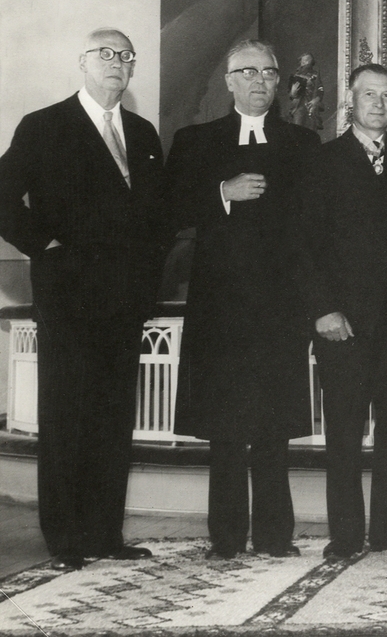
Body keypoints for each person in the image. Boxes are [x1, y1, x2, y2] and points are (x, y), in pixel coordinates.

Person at [0, 28, 168, 571]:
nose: (118, 63)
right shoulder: (45, 125)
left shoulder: (142, 132)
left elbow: (155, 218)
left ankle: (104, 533)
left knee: (112, 418)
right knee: (68, 414)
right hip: (69, 296)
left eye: (127, 57)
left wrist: (147, 279)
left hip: (125, 301)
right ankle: (66, 539)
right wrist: (45, 248)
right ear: (83, 63)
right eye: (106, 54)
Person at [167, 39, 320, 560]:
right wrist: (221, 194)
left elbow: (313, 227)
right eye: (248, 72)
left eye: (269, 73)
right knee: (225, 428)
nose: (259, 81)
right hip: (220, 308)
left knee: (273, 427)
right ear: (229, 82)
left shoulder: (302, 142)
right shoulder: (196, 140)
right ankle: (226, 539)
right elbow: (169, 210)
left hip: (279, 308)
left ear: (279, 83)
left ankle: (276, 537)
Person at [293, 64, 387, 559]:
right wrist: (323, 310)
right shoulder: (322, 161)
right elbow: (303, 244)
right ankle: (346, 535)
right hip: (342, 323)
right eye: (369, 94)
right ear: (352, 102)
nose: (379, 103)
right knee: (345, 435)